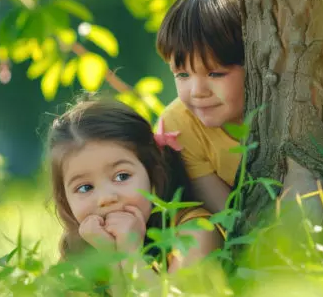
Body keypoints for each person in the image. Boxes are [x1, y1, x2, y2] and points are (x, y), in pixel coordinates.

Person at [47, 99, 223, 284]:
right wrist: (110, 255)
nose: (106, 198)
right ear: (65, 199)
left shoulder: (195, 232)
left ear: (153, 175)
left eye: (122, 176)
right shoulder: (79, 247)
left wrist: (129, 253)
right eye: (85, 188)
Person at [156, 0, 245, 214]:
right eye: (182, 75)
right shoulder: (180, 125)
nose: (197, 92)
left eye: (215, 74)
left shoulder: (286, 110)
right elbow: (230, 218)